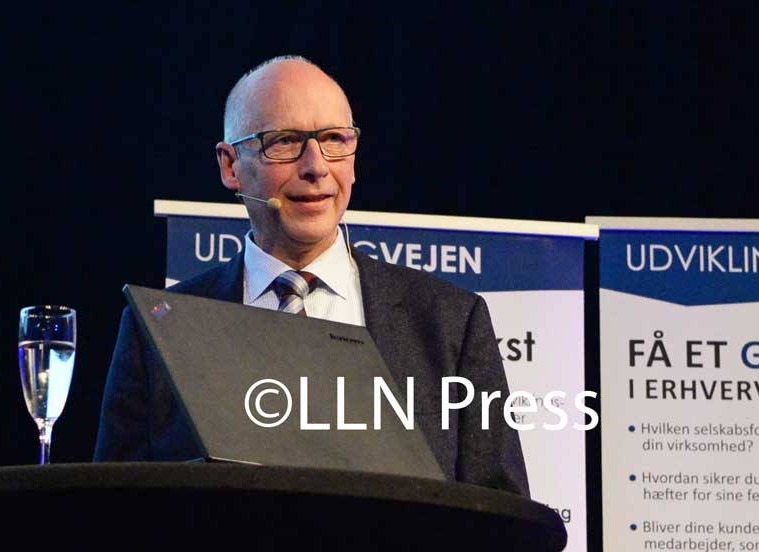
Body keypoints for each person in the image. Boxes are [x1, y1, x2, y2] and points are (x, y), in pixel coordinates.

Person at [94, 56, 530, 496]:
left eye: (334, 139)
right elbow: (114, 508)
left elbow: (499, 512)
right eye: (285, 141)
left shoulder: (451, 323)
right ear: (230, 165)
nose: (316, 166)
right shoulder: (156, 332)